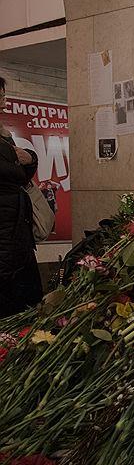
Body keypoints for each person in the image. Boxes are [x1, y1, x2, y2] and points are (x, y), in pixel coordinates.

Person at [0, 76, 43, 317]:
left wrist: (29, 158)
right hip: (5, 236)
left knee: (25, 302)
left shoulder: (4, 135)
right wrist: (24, 158)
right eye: (0, 97)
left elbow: (21, 171)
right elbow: (15, 171)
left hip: (16, 232)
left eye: (4, 96)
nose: (4, 103)